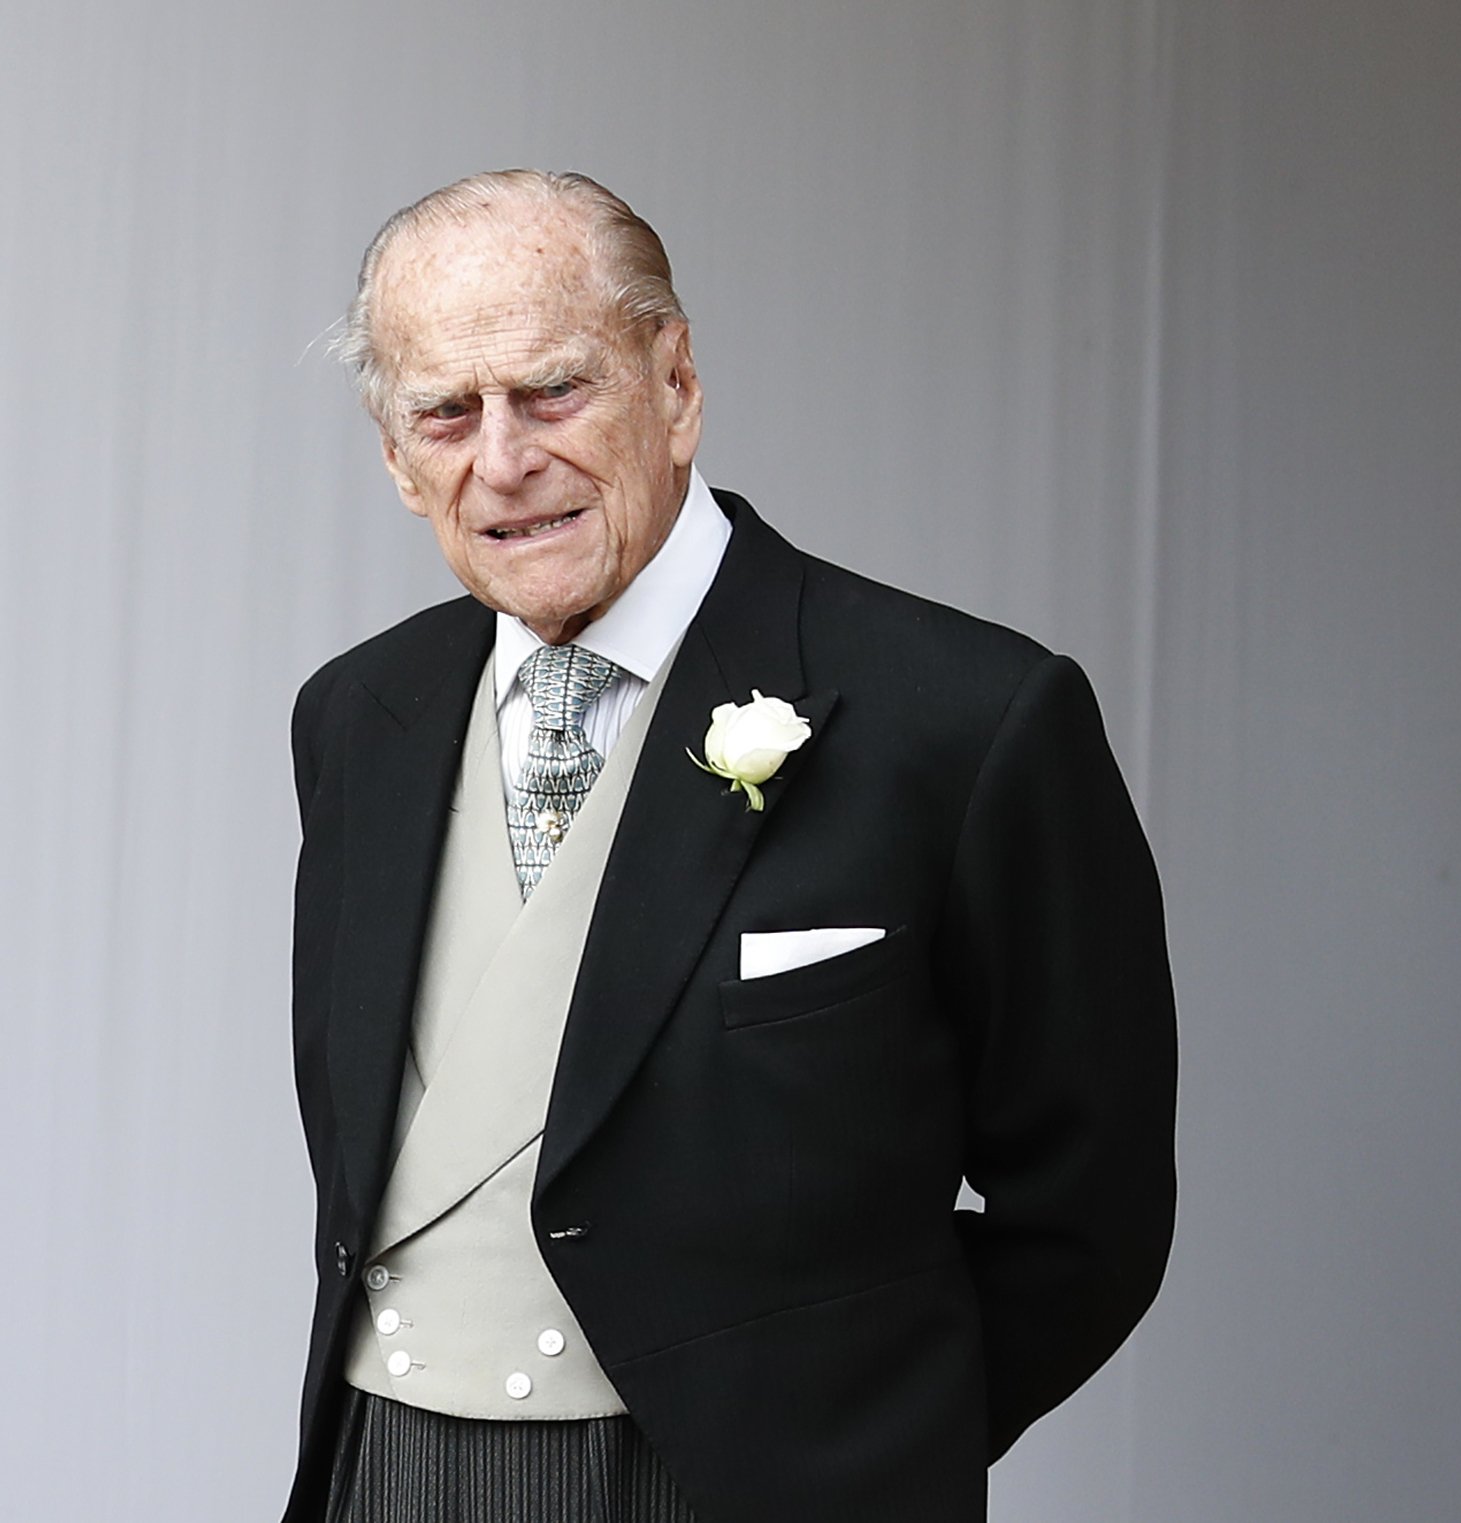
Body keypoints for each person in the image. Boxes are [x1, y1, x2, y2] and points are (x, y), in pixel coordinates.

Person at [283, 169, 1176, 1523]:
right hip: (389, 1473)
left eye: (554, 392)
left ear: (678, 383)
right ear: (399, 463)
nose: (504, 459)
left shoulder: (967, 718)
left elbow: (1092, 1216)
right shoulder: (358, 717)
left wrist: (854, 1445)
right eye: (447, 413)